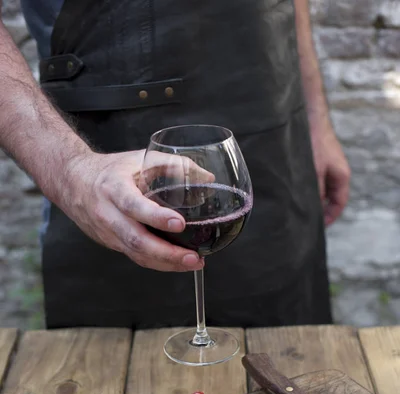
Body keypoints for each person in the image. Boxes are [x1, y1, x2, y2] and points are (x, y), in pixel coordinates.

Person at [0, 0, 350, 329]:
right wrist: (71, 170)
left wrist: (315, 121)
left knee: (287, 355)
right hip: (112, 160)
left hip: (274, 138)